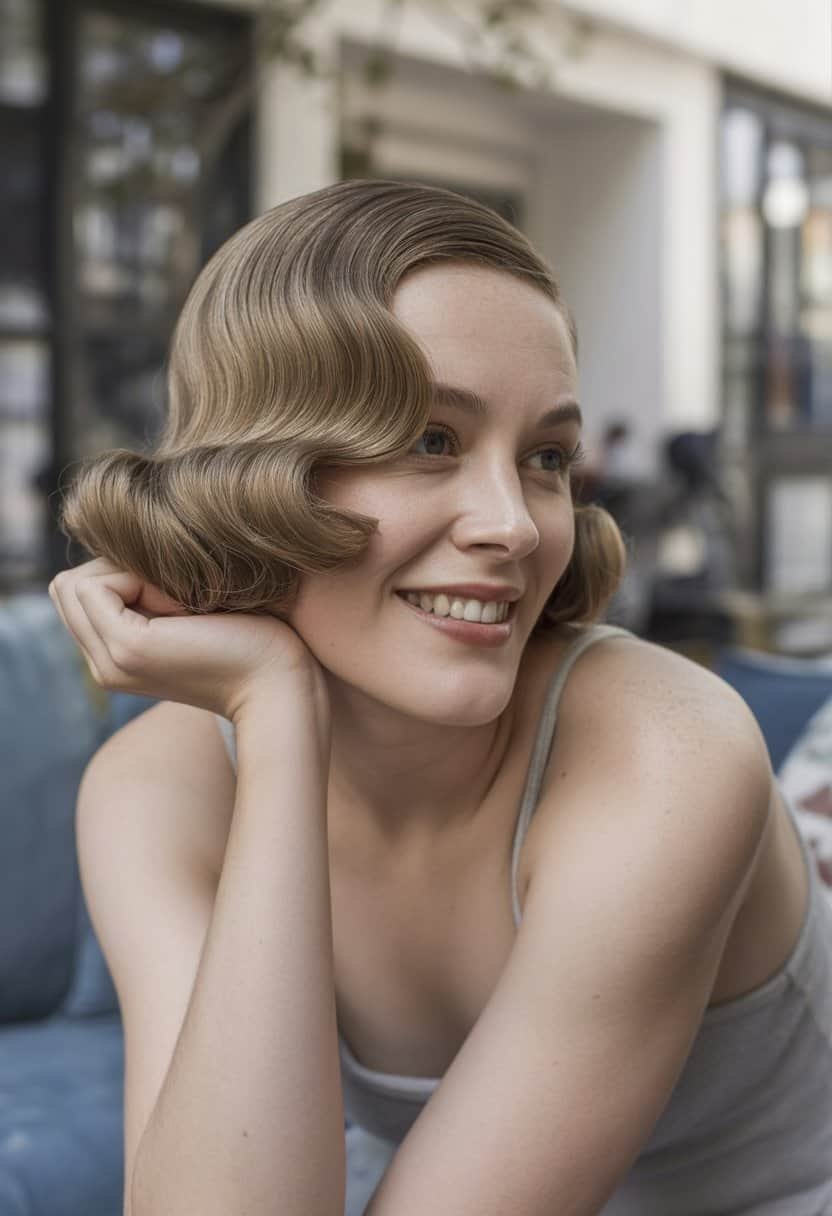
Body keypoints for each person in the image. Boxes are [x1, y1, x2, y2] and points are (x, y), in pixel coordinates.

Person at [48, 179, 832, 1216]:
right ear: (249, 470)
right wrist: (278, 715)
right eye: (429, 440)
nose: (512, 523)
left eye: (547, 456)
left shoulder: (666, 750)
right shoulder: (154, 792)